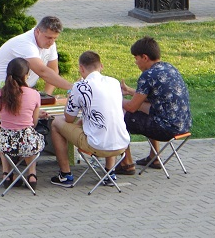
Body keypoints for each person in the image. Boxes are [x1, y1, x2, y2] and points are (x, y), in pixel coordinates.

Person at [49, 50, 130, 187]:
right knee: (109, 120)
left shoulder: (80, 86)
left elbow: (68, 119)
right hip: (122, 144)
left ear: (81, 68)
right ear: (101, 66)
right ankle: (110, 173)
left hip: (97, 145)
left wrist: (70, 96)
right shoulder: (114, 83)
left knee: (56, 122)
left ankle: (65, 174)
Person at [112, 37, 191, 175]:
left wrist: (113, 99)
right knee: (148, 110)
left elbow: (131, 107)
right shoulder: (169, 68)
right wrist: (130, 91)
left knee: (118, 117)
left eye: (136, 58)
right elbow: (154, 96)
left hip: (165, 129)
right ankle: (154, 157)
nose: (135, 62)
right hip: (183, 125)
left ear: (145, 57)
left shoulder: (148, 75)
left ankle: (126, 163)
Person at [0, 15, 72, 94]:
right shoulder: (25, 43)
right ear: (37, 31)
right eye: (48, 37)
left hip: (16, 90)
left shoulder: (50, 44)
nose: (51, 42)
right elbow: (43, 72)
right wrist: (73, 87)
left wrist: (47, 95)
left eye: (55, 38)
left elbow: (53, 71)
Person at [0, 56, 45, 189]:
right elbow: (33, 122)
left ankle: (7, 174)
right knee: (31, 135)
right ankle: (32, 175)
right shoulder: (34, 94)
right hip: (27, 143)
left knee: (4, 132)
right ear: (26, 75)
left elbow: (2, 119)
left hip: (6, 143)